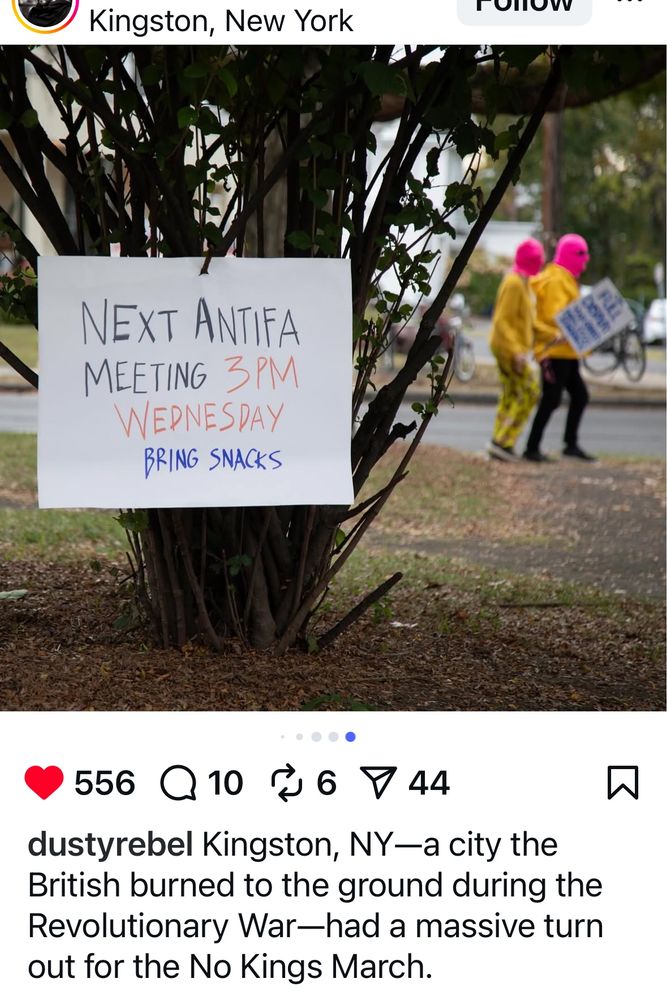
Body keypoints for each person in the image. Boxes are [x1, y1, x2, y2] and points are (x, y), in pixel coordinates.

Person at [523, 233, 596, 462]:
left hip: (567, 352)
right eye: (582, 255)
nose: (585, 261)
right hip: (554, 352)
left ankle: (570, 444)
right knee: (551, 399)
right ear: (572, 255)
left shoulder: (564, 279)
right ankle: (532, 448)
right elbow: (557, 317)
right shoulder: (556, 280)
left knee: (579, 396)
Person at [487, 238, 544, 462]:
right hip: (508, 349)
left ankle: (499, 440)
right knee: (529, 391)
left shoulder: (523, 281)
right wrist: (516, 352)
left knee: (512, 394)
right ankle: (503, 441)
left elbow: (528, 321)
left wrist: (550, 333)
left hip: (512, 348)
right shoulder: (513, 283)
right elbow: (502, 321)